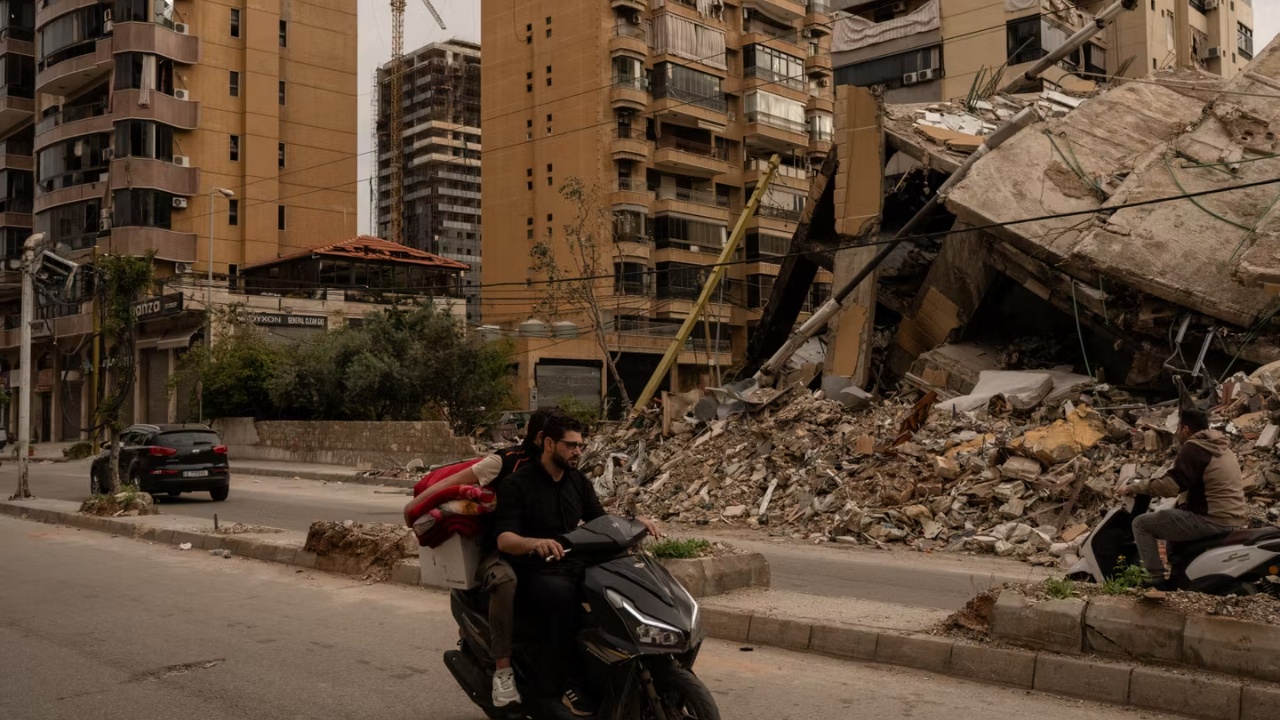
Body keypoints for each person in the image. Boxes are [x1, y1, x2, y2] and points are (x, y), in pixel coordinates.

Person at [494, 414, 659, 717]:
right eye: (571, 445)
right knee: (561, 597)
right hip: (534, 568)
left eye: (581, 446)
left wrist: (634, 524)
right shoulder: (518, 483)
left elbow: (599, 521)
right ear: (548, 444)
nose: (578, 452)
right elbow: (504, 538)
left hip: (570, 562)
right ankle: (559, 685)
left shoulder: (578, 481)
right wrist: (533, 543)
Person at [404, 408, 559, 709]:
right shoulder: (506, 461)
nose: (572, 448)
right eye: (563, 440)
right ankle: (504, 673)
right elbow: (448, 485)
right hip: (501, 551)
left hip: (547, 550)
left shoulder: (562, 469)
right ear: (543, 439)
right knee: (504, 581)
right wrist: (416, 507)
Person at [1119, 408, 1247, 586]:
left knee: (1140, 524)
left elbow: (1170, 487)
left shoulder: (1195, 448)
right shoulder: (1220, 447)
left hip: (1210, 519)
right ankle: (1179, 576)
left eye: (1178, 428)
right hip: (1231, 517)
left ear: (1185, 429)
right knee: (1173, 515)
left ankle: (1155, 579)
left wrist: (1135, 487)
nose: (1177, 433)